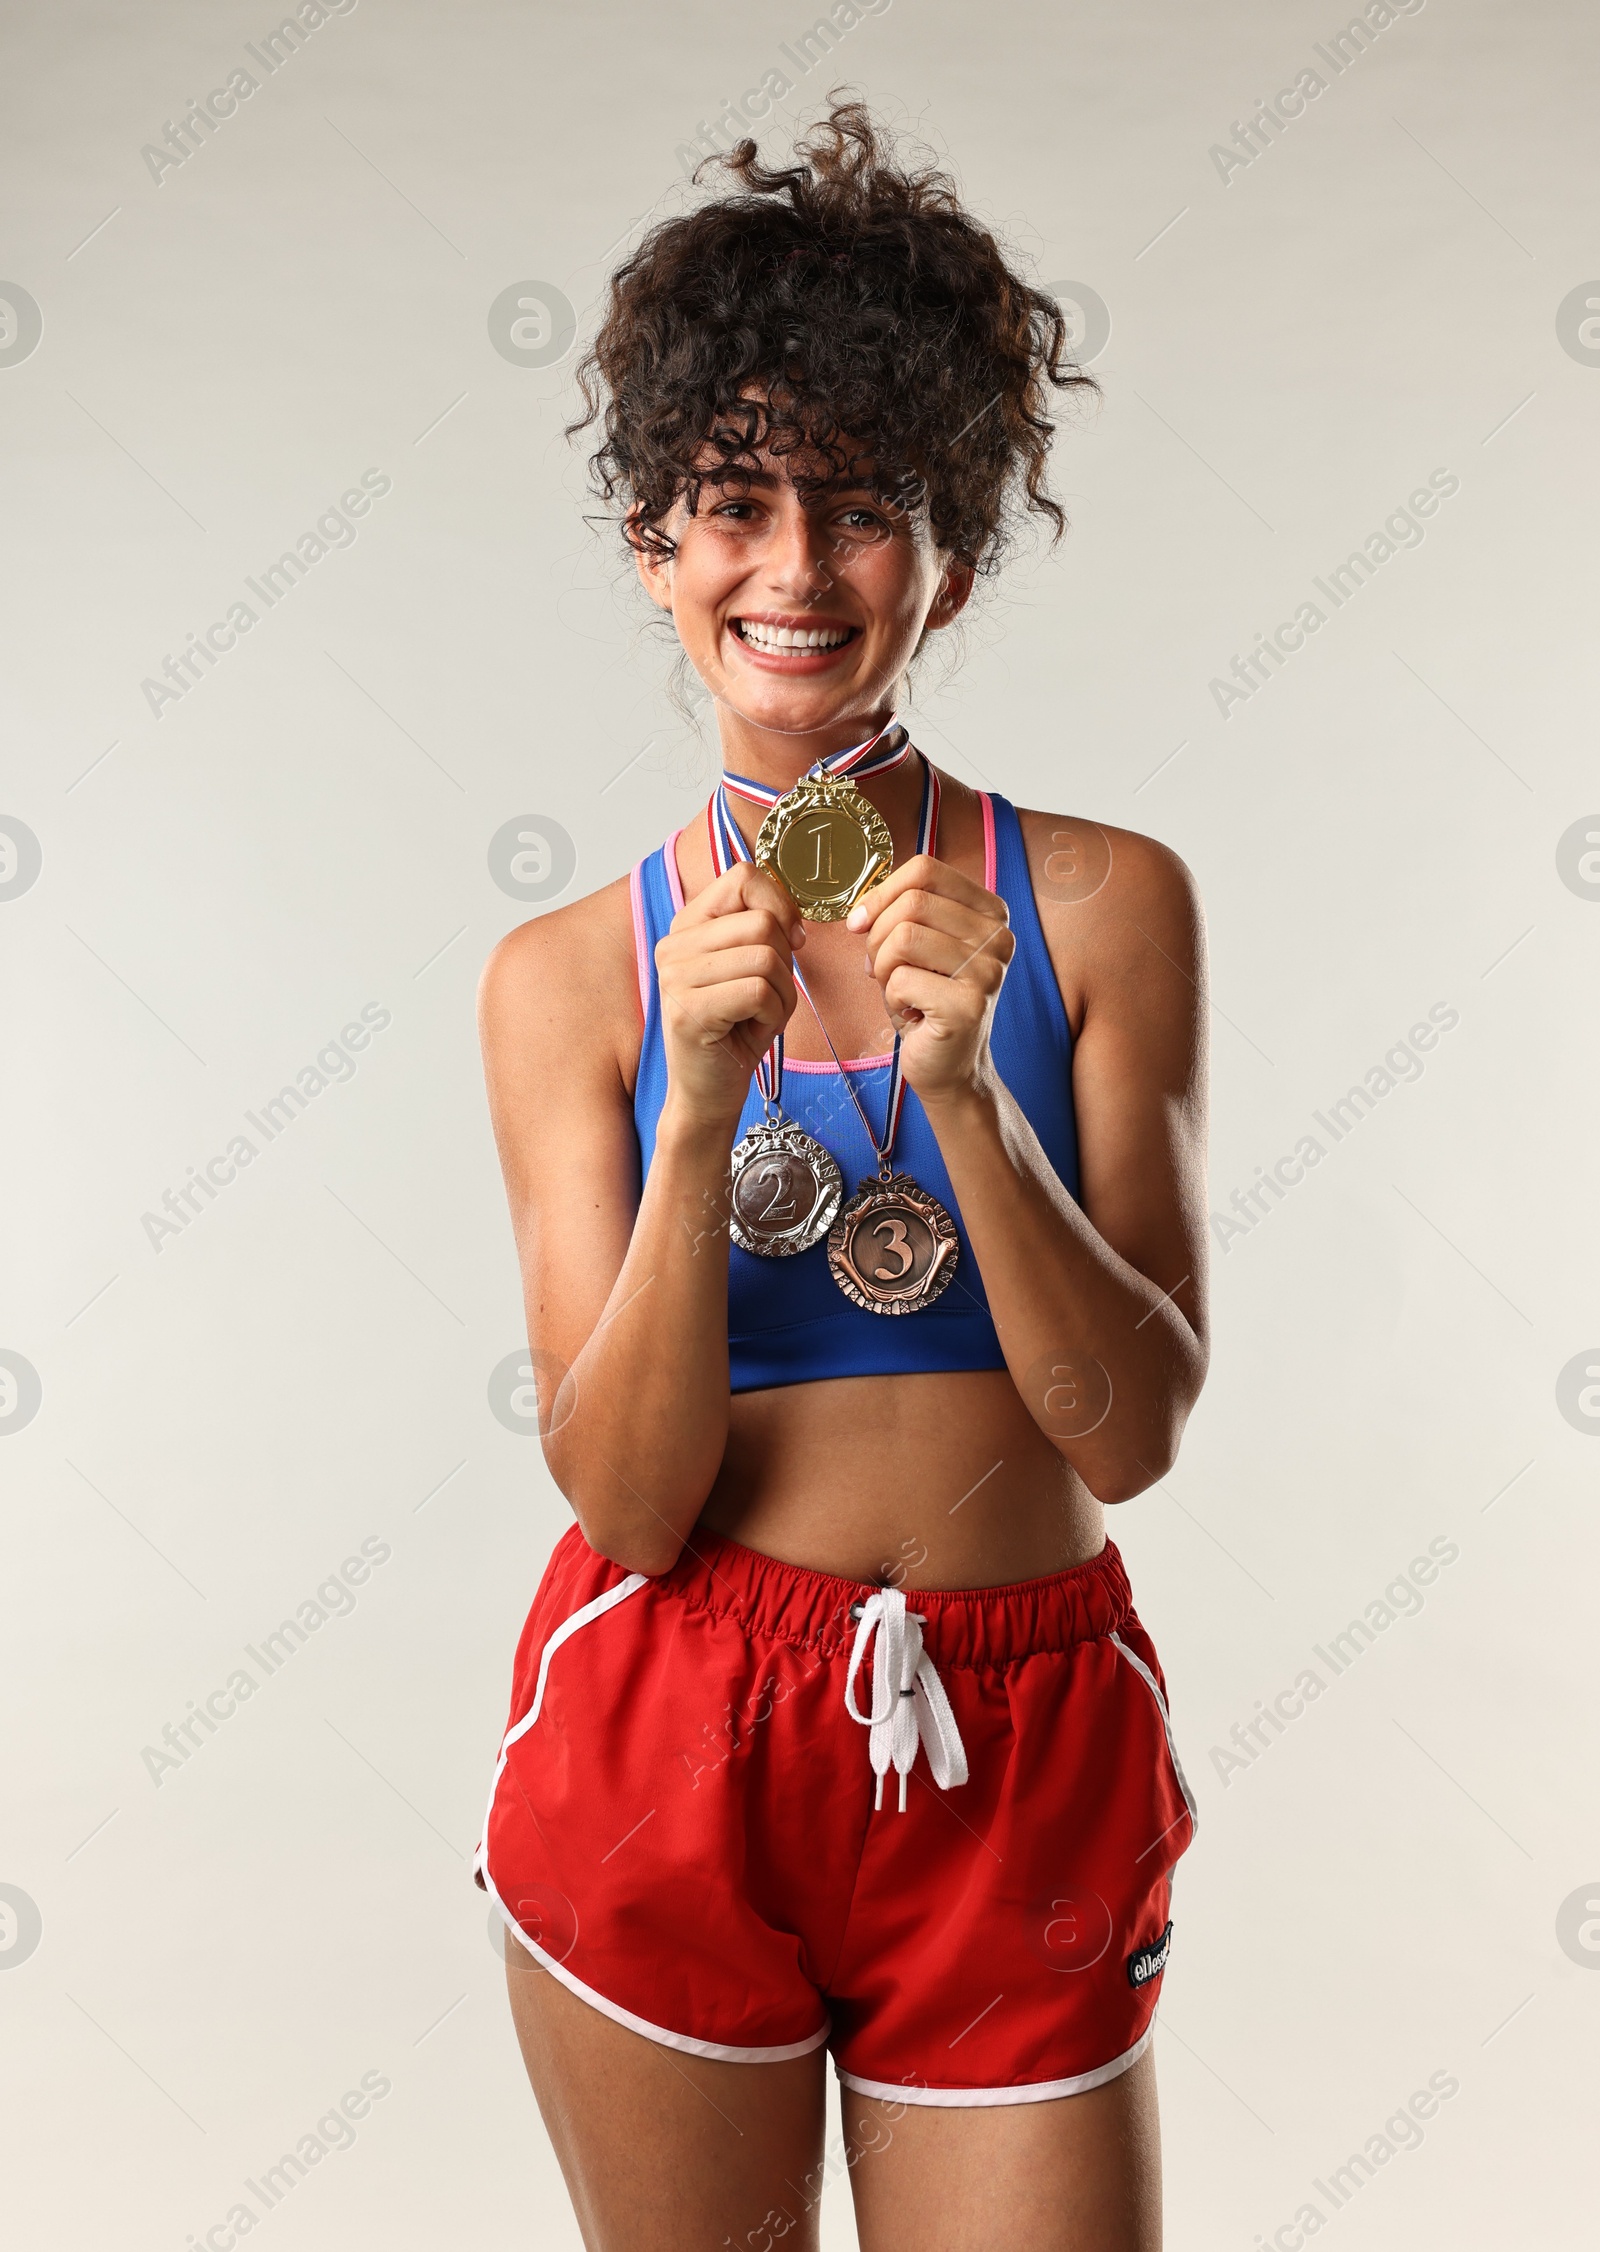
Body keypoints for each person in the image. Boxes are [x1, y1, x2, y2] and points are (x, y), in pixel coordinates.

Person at [474, 97, 1209, 2252]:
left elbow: (1133, 1433)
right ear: (653, 545)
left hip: (1022, 1726)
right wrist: (696, 1110)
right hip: (671, 1721)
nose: (793, 568)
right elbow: (621, 1498)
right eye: (731, 503)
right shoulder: (565, 980)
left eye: (862, 508)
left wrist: (964, 1093)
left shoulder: (1099, 902)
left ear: (948, 557)